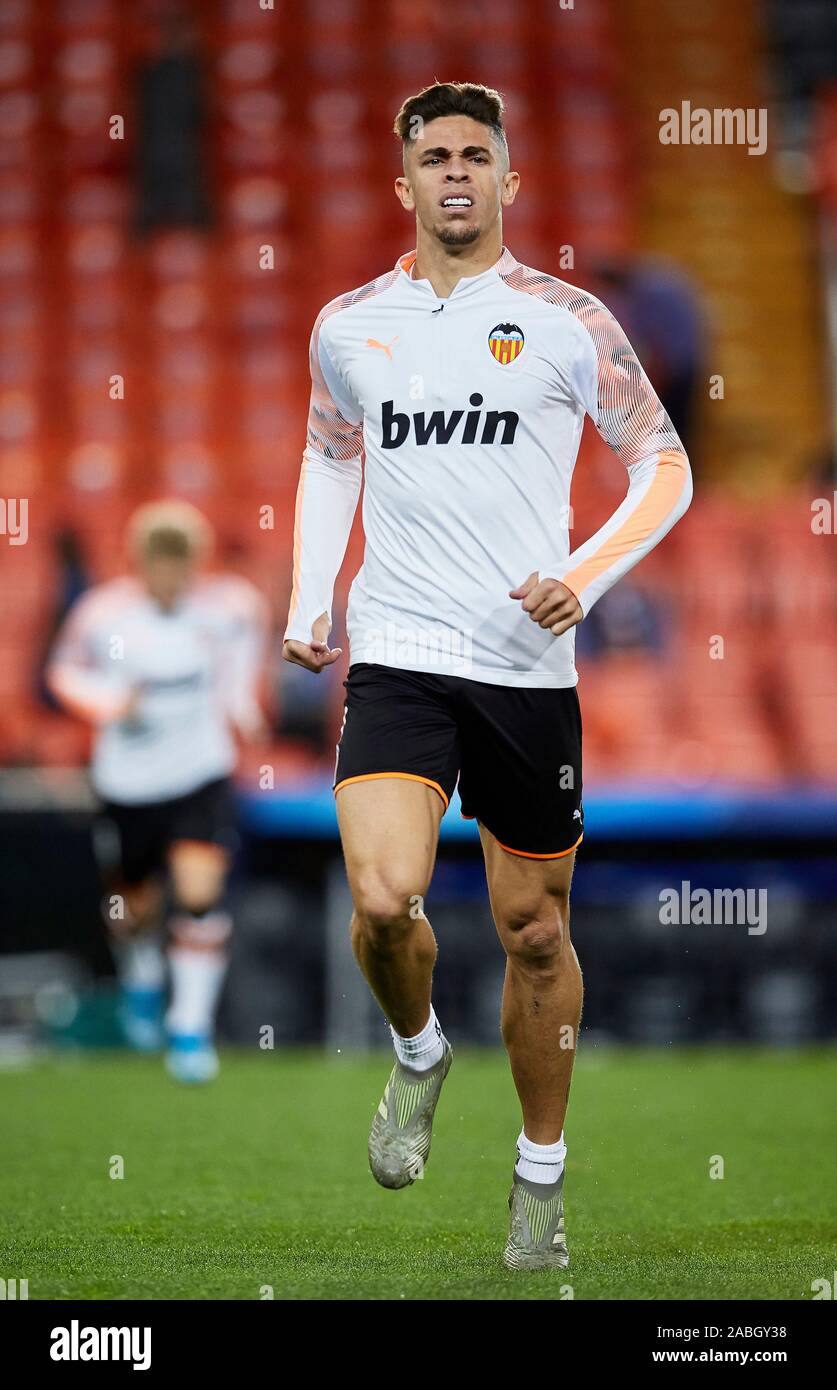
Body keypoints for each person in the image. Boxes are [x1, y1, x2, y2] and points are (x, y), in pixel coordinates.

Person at [283, 82, 692, 1269]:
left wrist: (586, 575)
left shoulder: (570, 319)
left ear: (511, 182)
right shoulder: (348, 324)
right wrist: (313, 598)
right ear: (401, 184)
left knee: (530, 931)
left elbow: (660, 465)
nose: (454, 171)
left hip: (526, 666)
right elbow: (326, 461)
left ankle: (539, 1178)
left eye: (476, 153)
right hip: (401, 651)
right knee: (380, 895)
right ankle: (418, 1052)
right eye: (433, 155)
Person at [47, 500, 268, 1083]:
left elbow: (240, 661)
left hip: (199, 772)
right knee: (132, 908)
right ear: (139, 560)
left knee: (198, 894)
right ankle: (143, 978)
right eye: (159, 559)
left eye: (180, 559)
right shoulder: (104, 616)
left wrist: (241, 705)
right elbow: (64, 671)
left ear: (196, 561)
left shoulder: (229, 608)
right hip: (128, 782)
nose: (170, 571)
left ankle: (189, 1028)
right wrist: (108, 702)